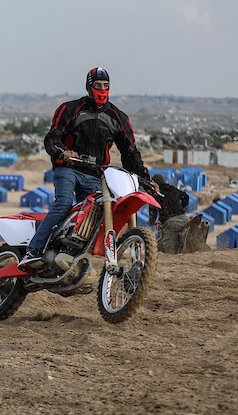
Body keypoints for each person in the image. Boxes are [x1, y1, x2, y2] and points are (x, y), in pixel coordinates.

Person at [21, 67, 153, 268]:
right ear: (89, 87)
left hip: (95, 174)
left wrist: (144, 177)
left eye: (106, 86)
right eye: (98, 85)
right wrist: (62, 152)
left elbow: (130, 152)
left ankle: (71, 256)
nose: (102, 90)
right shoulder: (71, 108)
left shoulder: (118, 117)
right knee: (64, 203)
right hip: (68, 168)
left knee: (94, 216)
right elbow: (52, 137)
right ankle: (33, 250)